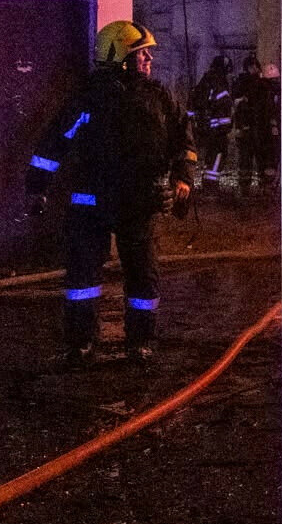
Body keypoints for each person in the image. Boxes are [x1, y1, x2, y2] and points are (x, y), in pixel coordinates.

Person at [25, 21, 197, 366]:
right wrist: (37, 188)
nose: (148, 59)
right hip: (92, 203)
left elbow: (184, 142)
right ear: (118, 57)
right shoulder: (89, 99)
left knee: (143, 276)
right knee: (82, 279)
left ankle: (141, 342)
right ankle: (81, 343)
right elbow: (54, 143)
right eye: (140, 53)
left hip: (139, 203)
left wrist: (183, 178)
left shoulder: (159, 97)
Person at [188, 55, 234, 189]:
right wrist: (225, 127)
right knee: (219, 152)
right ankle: (211, 184)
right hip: (216, 128)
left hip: (201, 126)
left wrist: (192, 121)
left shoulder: (204, 81)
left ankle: (204, 183)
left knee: (207, 154)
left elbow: (192, 102)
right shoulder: (219, 83)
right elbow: (223, 106)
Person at [235, 57, 278, 188]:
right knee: (265, 159)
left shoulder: (243, 85)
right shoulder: (266, 89)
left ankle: (245, 186)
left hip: (249, 129)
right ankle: (266, 185)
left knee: (247, 160)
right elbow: (269, 110)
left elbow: (240, 107)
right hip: (262, 130)